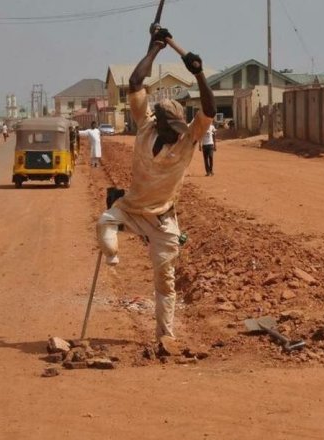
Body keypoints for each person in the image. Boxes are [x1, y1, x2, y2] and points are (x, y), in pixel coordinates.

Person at [96, 28, 216, 341]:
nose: (177, 132)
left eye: (180, 127)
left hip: (163, 218)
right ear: (159, 124)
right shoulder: (146, 125)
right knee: (105, 223)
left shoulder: (189, 139)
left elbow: (209, 110)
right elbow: (136, 83)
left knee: (166, 280)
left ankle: (166, 336)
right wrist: (155, 50)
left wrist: (199, 74)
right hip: (132, 207)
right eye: (172, 128)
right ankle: (113, 256)